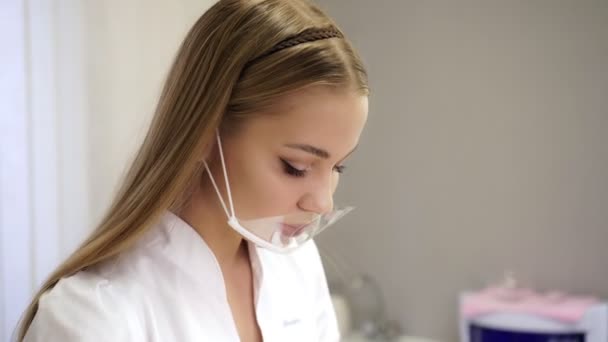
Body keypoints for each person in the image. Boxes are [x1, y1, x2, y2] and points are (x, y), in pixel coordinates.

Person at [17, 0, 369, 340]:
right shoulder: (94, 316)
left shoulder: (297, 266)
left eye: (339, 166)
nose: (323, 203)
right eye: (297, 167)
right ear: (205, 131)